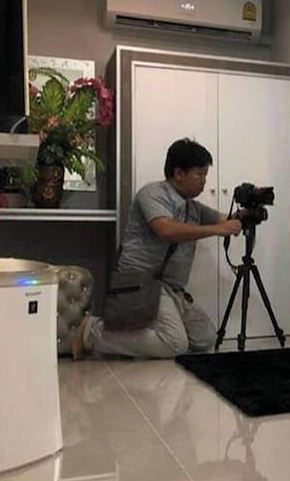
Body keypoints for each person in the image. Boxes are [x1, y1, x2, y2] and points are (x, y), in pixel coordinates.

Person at [72, 138, 242, 359]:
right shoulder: (152, 193)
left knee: (205, 338)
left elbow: (225, 219)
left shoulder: (192, 207)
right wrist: (218, 230)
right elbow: (167, 230)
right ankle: (91, 331)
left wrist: (245, 215)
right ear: (179, 173)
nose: (204, 182)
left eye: (205, 175)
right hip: (142, 280)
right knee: (175, 344)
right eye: (199, 175)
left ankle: (150, 333)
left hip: (171, 287)